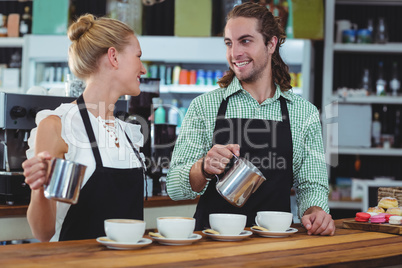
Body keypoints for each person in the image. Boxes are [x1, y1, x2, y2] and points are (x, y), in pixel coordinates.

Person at [167, 2, 335, 236]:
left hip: (274, 243)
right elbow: (174, 186)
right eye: (229, 43)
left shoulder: (303, 113)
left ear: (271, 44)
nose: (234, 53)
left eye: (245, 41)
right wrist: (203, 167)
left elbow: (312, 185)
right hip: (214, 243)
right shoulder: (204, 107)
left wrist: (316, 212)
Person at [22, 14, 147, 242]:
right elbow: (43, 232)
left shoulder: (128, 133)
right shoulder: (62, 127)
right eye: (138, 57)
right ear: (113, 57)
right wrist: (39, 188)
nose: (143, 69)